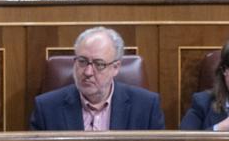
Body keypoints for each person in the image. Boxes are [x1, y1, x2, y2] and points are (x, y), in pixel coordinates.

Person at [29, 27, 165, 131]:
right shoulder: (46, 109)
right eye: (82, 61)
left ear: (116, 67)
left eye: (99, 64)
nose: (88, 72)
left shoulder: (146, 107)